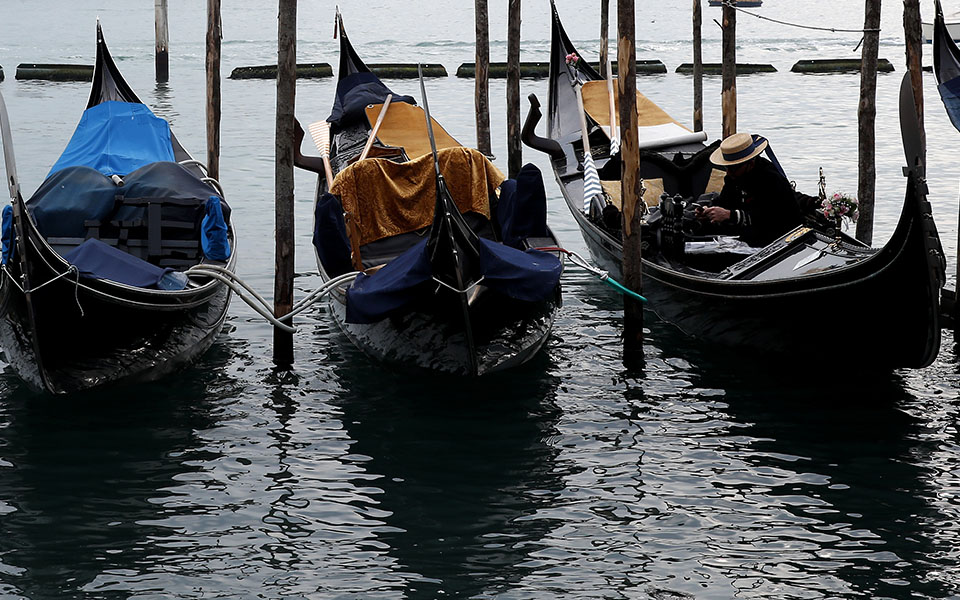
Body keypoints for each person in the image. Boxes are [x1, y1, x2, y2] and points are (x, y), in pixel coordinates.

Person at [697, 132, 803, 247]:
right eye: (727, 168)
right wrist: (708, 211)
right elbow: (726, 201)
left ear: (751, 163)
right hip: (747, 233)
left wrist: (730, 215)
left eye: (733, 168)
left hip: (780, 237)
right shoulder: (734, 176)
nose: (728, 172)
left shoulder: (771, 179)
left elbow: (771, 217)